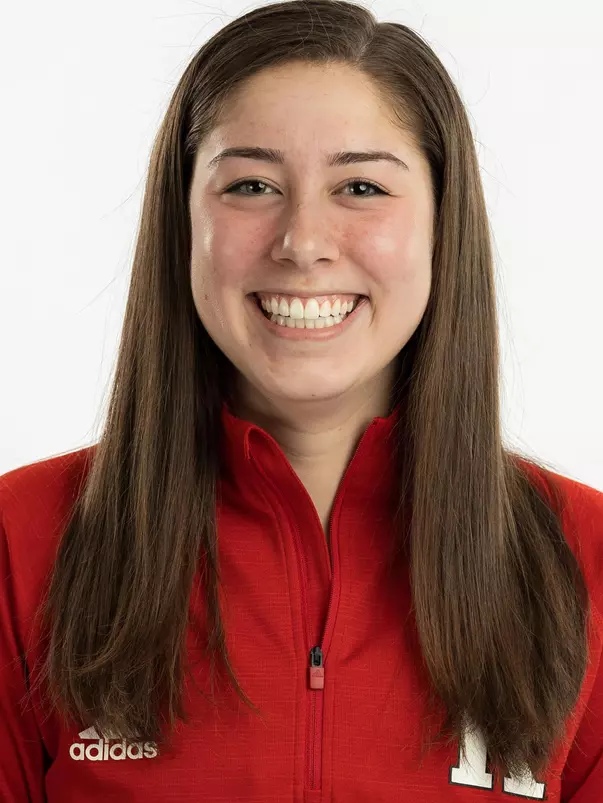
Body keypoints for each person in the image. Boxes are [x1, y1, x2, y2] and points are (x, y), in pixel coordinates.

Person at [1, 0, 602, 800]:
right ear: (182, 220)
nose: (303, 241)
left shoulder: (585, 557)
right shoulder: (21, 539)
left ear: (442, 222)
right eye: (250, 184)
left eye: (360, 185)